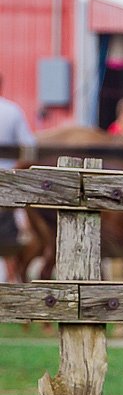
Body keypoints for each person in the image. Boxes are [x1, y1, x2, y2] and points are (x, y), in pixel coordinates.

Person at [0, 74, 37, 281]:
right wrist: (14, 173)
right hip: (7, 188)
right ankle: (12, 288)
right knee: (9, 243)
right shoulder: (12, 111)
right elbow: (29, 148)